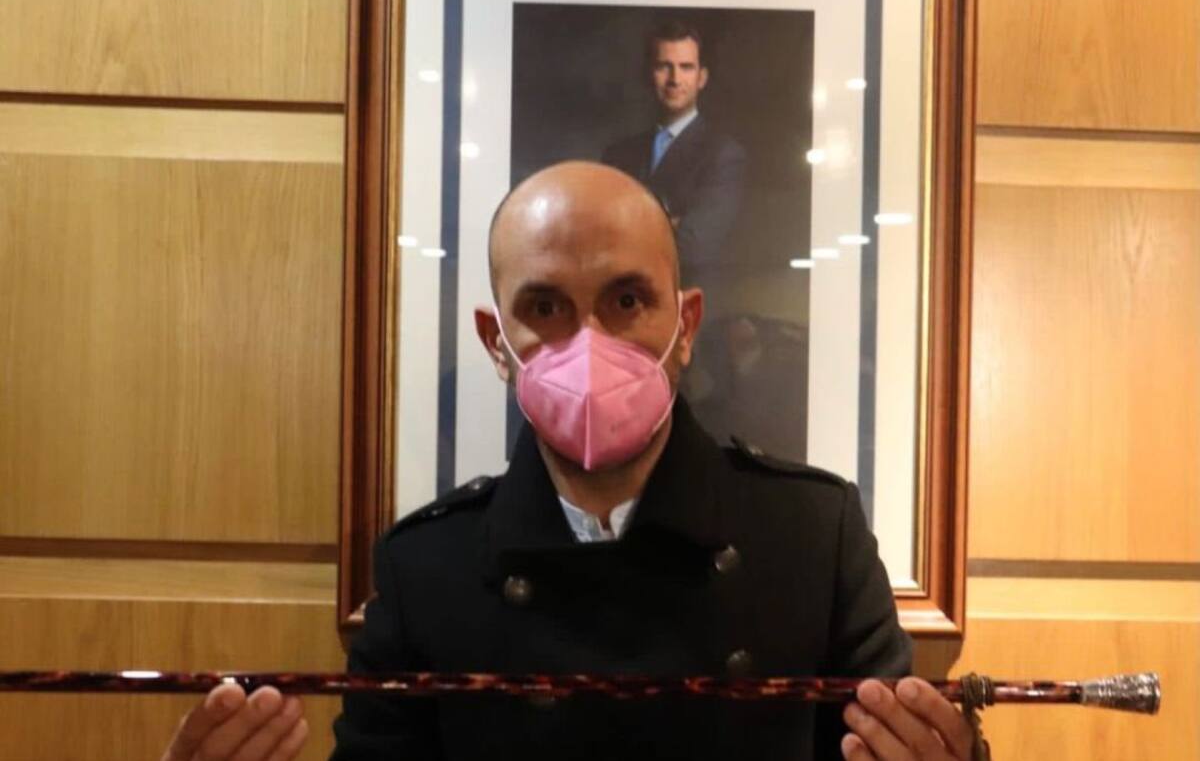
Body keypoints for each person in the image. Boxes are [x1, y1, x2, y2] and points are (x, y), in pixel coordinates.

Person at [162, 162, 974, 761]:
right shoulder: (426, 569)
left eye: (627, 300)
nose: (589, 344)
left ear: (686, 326)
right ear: (496, 342)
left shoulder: (814, 537)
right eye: (546, 306)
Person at [601, 20, 746, 293]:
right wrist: (670, 223)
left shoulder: (724, 155)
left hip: (682, 305)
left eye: (686, 67)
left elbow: (693, 247)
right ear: (649, 74)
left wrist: (628, 231)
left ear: (702, 78)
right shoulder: (617, 155)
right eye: (663, 66)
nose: (674, 79)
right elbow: (599, 240)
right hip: (619, 303)